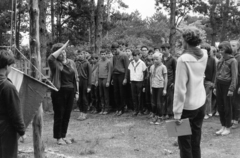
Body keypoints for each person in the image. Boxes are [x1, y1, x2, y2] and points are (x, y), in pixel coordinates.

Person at [173, 27, 208, 158]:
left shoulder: (183, 59)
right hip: (201, 103)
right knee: (195, 141)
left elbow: (180, 88)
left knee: (185, 143)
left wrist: (177, 114)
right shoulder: (204, 53)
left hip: (187, 107)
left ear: (185, 40)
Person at [48, 41, 79, 145]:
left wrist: (77, 92)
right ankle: (58, 137)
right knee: (59, 114)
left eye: (64, 51)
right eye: (60, 52)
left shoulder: (71, 62)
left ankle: (64, 135)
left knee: (67, 115)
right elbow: (50, 58)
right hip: (58, 92)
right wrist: (61, 48)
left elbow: (75, 78)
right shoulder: (55, 64)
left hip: (70, 91)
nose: (63, 54)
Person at [0, 49, 25, 157]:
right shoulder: (7, 87)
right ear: (7, 66)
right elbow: (15, 112)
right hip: (5, 131)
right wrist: (22, 131)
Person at [213, 41, 238, 136]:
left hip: (227, 86)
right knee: (220, 106)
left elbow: (234, 77)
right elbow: (217, 74)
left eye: (222, 49)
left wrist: (231, 89)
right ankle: (223, 125)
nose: (220, 51)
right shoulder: (221, 60)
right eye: (219, 49)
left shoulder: (233, 61)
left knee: (227, 107)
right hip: (219, 84)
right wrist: (215, 86)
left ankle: (228, 127)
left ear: (227, 49)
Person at [112, 42, 129, 116]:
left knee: (122, 92)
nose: (114, 51)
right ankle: (118, 108)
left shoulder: (124, 55)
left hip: (121, 75)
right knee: (116, 92)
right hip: (115, 75)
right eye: (113, 49)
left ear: (118, 48)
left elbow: (127, 68)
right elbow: (113, 67)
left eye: (115, 49)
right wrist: (112, 78)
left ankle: (122, 108)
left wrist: (125, 78)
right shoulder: (114, 56)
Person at [150, 53, 167, 125]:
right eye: (154, 59)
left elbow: (166, 78)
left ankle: (160, 117)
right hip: (154, 86)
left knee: (159, 103)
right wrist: (150, 87)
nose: (155, 61)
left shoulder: (163, 67)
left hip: (160, 86)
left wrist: (165, 89)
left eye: (157, 59)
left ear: (161, 59)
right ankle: (155, 116)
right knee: (154, 103)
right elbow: (151, 77)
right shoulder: (151, 67)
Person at [128, 50, 147, 116]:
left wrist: (144, 83)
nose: (135, 57)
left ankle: (140, 110)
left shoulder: (142, 63)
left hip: (139, 81)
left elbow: (144, 73)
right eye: (134, 56)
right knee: (134, 96)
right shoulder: (131, 63)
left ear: (139, 55)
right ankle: (135, 110)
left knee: (140, 96)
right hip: (133, 81)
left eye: (136, 56)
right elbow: (130, 71)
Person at [201, 43, 216, 119]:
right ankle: (202, 113)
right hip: (200, 81)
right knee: (201, 97)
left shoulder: (212, 60)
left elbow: (214, 71)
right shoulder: (200, 59)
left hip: (208, 81)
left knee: (207, 98)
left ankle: (207, 112)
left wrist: (213, 82)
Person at [75, 50, 92, 121]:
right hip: (77, 82)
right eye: (78, 54)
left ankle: (85, 113)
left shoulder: (87, 63)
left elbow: (90, 75)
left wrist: (89, 86)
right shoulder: (75, 63)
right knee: (79, 98)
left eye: (81, 54)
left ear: (84, 55)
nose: (80, 55)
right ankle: (81, 112)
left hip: (84, 81)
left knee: (84, 98)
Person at [161, 43, 177, 119]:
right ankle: (163, 112)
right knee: (163, 97)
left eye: (165, 50)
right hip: (161, 81)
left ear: (169, 49)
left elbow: (176, 71)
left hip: (170, 81)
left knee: (170, 98)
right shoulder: (160, 59)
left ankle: (169, 113)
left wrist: (174, 82)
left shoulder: (173, 59)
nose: (163, 51)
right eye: (162, 50)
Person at [96, 50, 112, 114]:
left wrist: (108, 81)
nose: (103, 55)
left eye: (104, 54)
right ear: (100, 55)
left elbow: (109, 72)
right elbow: (97, 71)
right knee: (101, 94)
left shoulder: (108, 61)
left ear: (106, 54)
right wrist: (96, 80)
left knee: (106, 94)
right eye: (102, 54)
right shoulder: (99, 61)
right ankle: (102, 108)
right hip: (100, 78)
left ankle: (107, 109)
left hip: (105, 78)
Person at [230, 40, 240, 129]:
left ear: (237, 47)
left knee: (236, 102)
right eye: (230, 45)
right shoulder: (229, 57)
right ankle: (232, 119)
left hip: (238, 82)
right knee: (231, 102)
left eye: (233, 45)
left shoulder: (239, 57)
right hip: (230, 82)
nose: (232, 47)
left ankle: (235, 120)